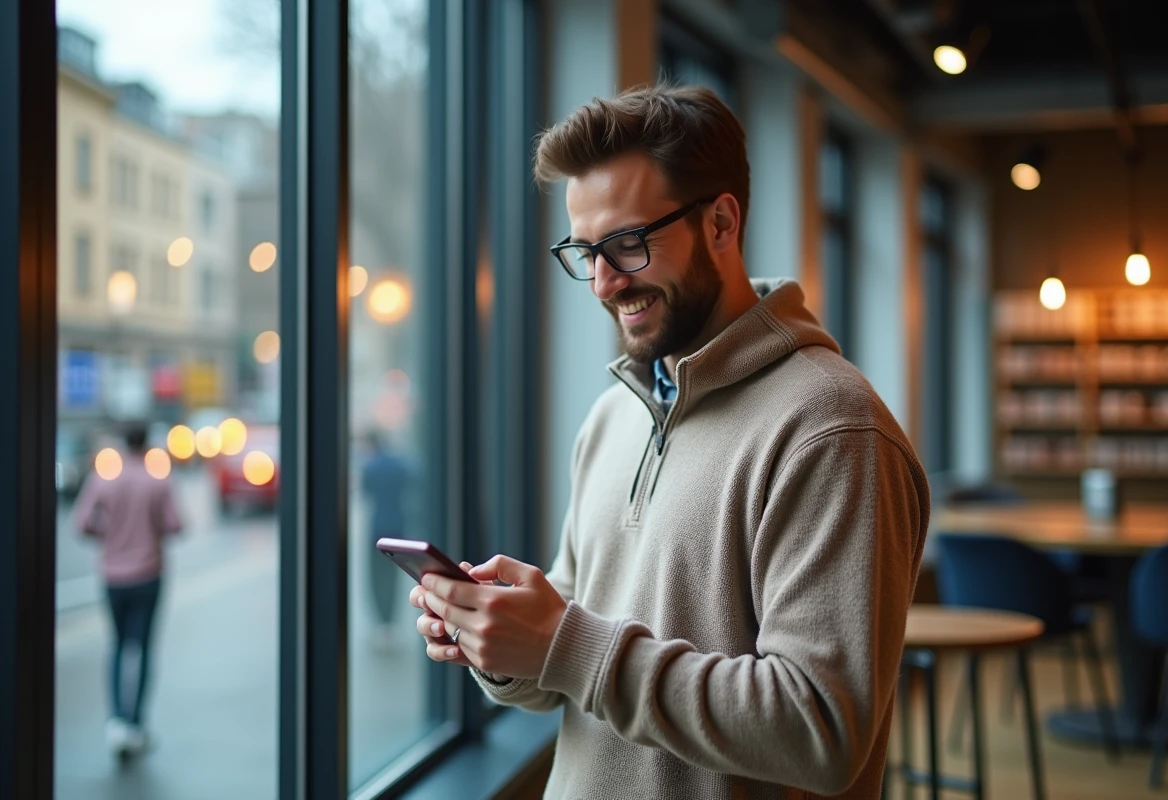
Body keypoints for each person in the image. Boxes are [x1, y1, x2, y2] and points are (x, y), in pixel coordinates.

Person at [410, 84, 930, 799]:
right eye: (584, 250)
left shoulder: (832, 428)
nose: (602, 282)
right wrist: (500, 642)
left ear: (720, 222)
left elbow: (822, 731)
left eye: (626, 244)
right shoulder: (611, 418)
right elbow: (574, 666)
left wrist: (564, 645)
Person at [74, 422, 183, 760]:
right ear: (146, 443)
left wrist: (107, 535)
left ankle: (117, 721)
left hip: (113, 575)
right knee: (145, 648)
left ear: (123, 443)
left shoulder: (103, 480)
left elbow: (82, 523)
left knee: (118, 646)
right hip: (148, 573)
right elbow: (176, 524)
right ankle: (136, 724)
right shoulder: (156, 480)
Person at [360, 430, 415, 651]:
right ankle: (391, 623)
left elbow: (366, 493)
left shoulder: (370, 467)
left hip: (377, 529)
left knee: (376, 577)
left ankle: (381, 622)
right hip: (398, 526)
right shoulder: (400, 465)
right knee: (392, 577)